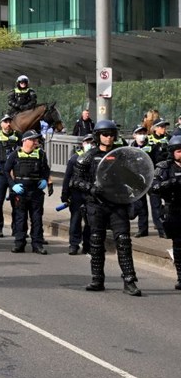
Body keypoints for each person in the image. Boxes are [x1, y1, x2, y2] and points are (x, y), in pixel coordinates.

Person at [71, 119, 140, 295]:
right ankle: (97, 279)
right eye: (105, 134)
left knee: (124, 241)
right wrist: (91, 188)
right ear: (97, 136)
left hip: (117, 204)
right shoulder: (88, 156)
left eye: (111, 134)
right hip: (96, 204)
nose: (108, 138)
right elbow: (75, 181)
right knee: (96, 242)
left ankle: (129, 280)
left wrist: (135, 195)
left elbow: (133, 179)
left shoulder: (121, 156)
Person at [4, 130, 51, 254]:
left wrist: (45, 180)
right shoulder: (15, 154)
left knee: (37, 219)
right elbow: (6, 171)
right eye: (33, 140)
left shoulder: (41, 154)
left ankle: (37, 244)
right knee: (20, 218)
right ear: (25, 141)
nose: (36, 142)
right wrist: (13, 185)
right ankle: (19, 243)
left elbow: (46, 170)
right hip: (20, 192)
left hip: (36, 191)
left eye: (37, 140)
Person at [150, 134, 181, 290]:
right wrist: (173, 182)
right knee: (179, 245)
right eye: (179, 151)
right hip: (174, 210)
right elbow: (154, 187)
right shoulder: (164, 167)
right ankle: (180, 277)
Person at [60, 134, 93, 255]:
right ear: (82, 144)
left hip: (91, 193)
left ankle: (87, 245)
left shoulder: (96, 158)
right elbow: (67, 176)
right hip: (76, 192)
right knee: (75, 219)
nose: (90, 145)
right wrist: (65, 193)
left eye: (92, 142)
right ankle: (74, 244)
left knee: (91, 220)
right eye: (87, 142)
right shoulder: (75, 158)